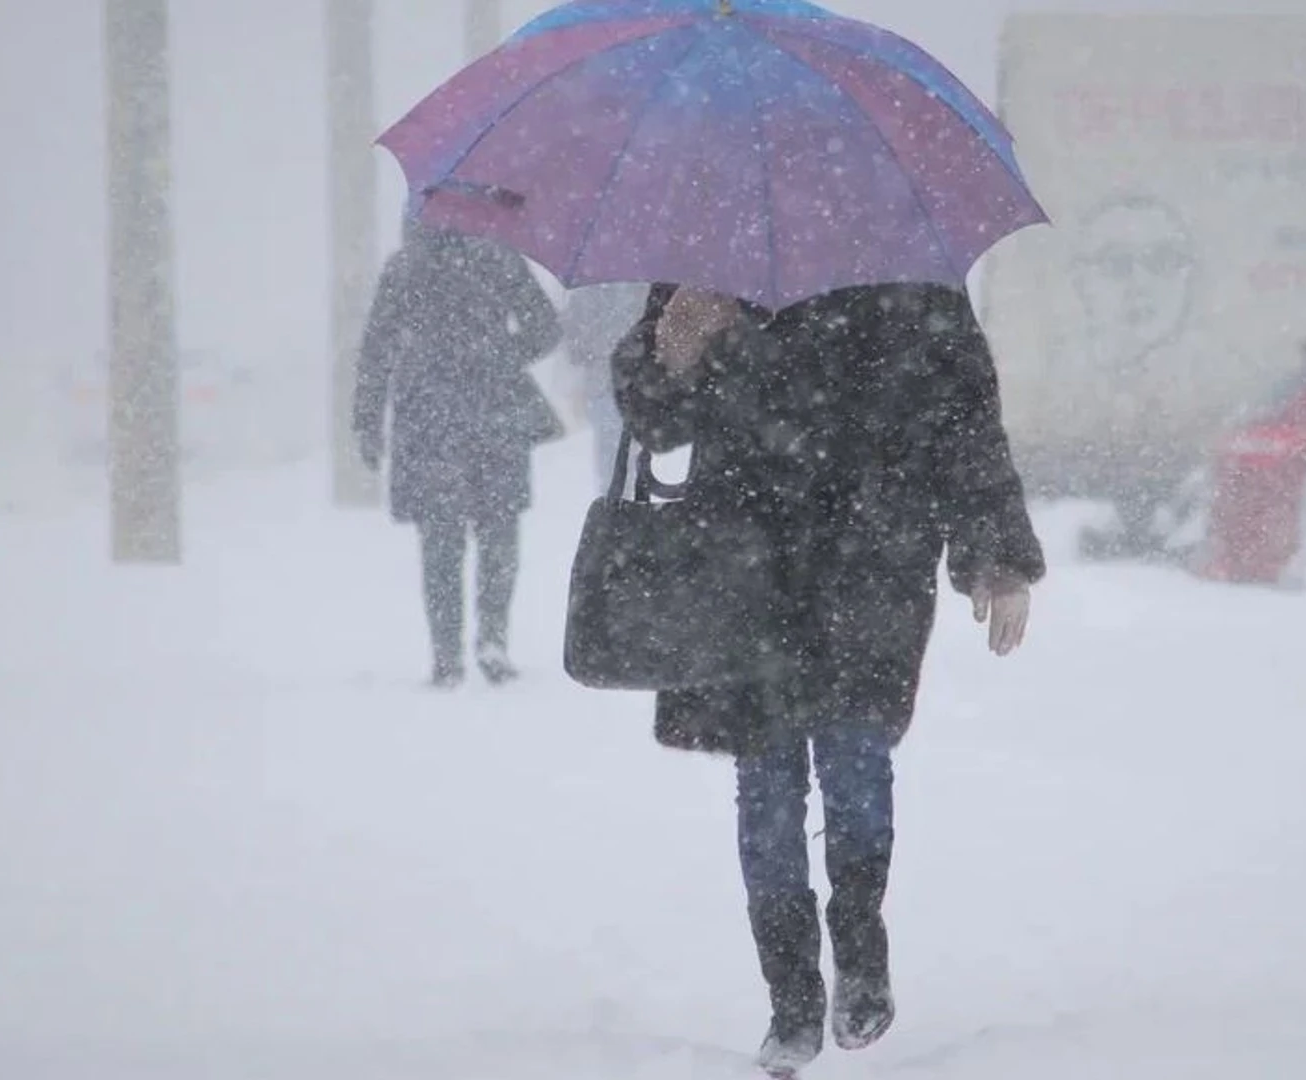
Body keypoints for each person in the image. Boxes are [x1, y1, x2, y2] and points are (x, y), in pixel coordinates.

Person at [610, 282, 1045, 1075]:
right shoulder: (710, 257)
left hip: (871, 560)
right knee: (766, 783)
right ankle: (792, 1000)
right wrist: (670, 350)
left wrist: (998, 554)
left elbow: (964, 421)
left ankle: (860, 949)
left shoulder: (910, 268)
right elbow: (655, 420)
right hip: (742, 564)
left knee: (856, 763)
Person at [353, 220, 563, 687]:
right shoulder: (500, 255)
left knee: (440, 539)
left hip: (428, 418)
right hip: (496, 410)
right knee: (499, 529)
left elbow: (376, 352)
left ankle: (446, 655)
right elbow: (546, 327)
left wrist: (367, 424)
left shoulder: (405, 266)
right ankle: (493, 637)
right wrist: (501, 351)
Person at [560, 282, 650, 493]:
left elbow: (575, 345)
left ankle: (617, 503)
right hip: (630, 381)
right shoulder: (642, 284)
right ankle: (625, 501)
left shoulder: (588, 289)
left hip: (607, 381)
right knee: (625, 452)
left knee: (613, 455)